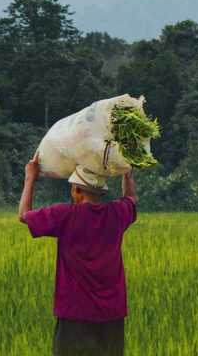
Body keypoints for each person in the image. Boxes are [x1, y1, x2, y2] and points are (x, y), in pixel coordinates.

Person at [19, 151, 137, 356]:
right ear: (100, 191)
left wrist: (30, 177)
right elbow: (131, 198)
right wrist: (128, 171)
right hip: (112, 315)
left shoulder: (63, 215)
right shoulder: (117, 214)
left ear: (76, 191)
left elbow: (23, 215)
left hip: (74, 314)